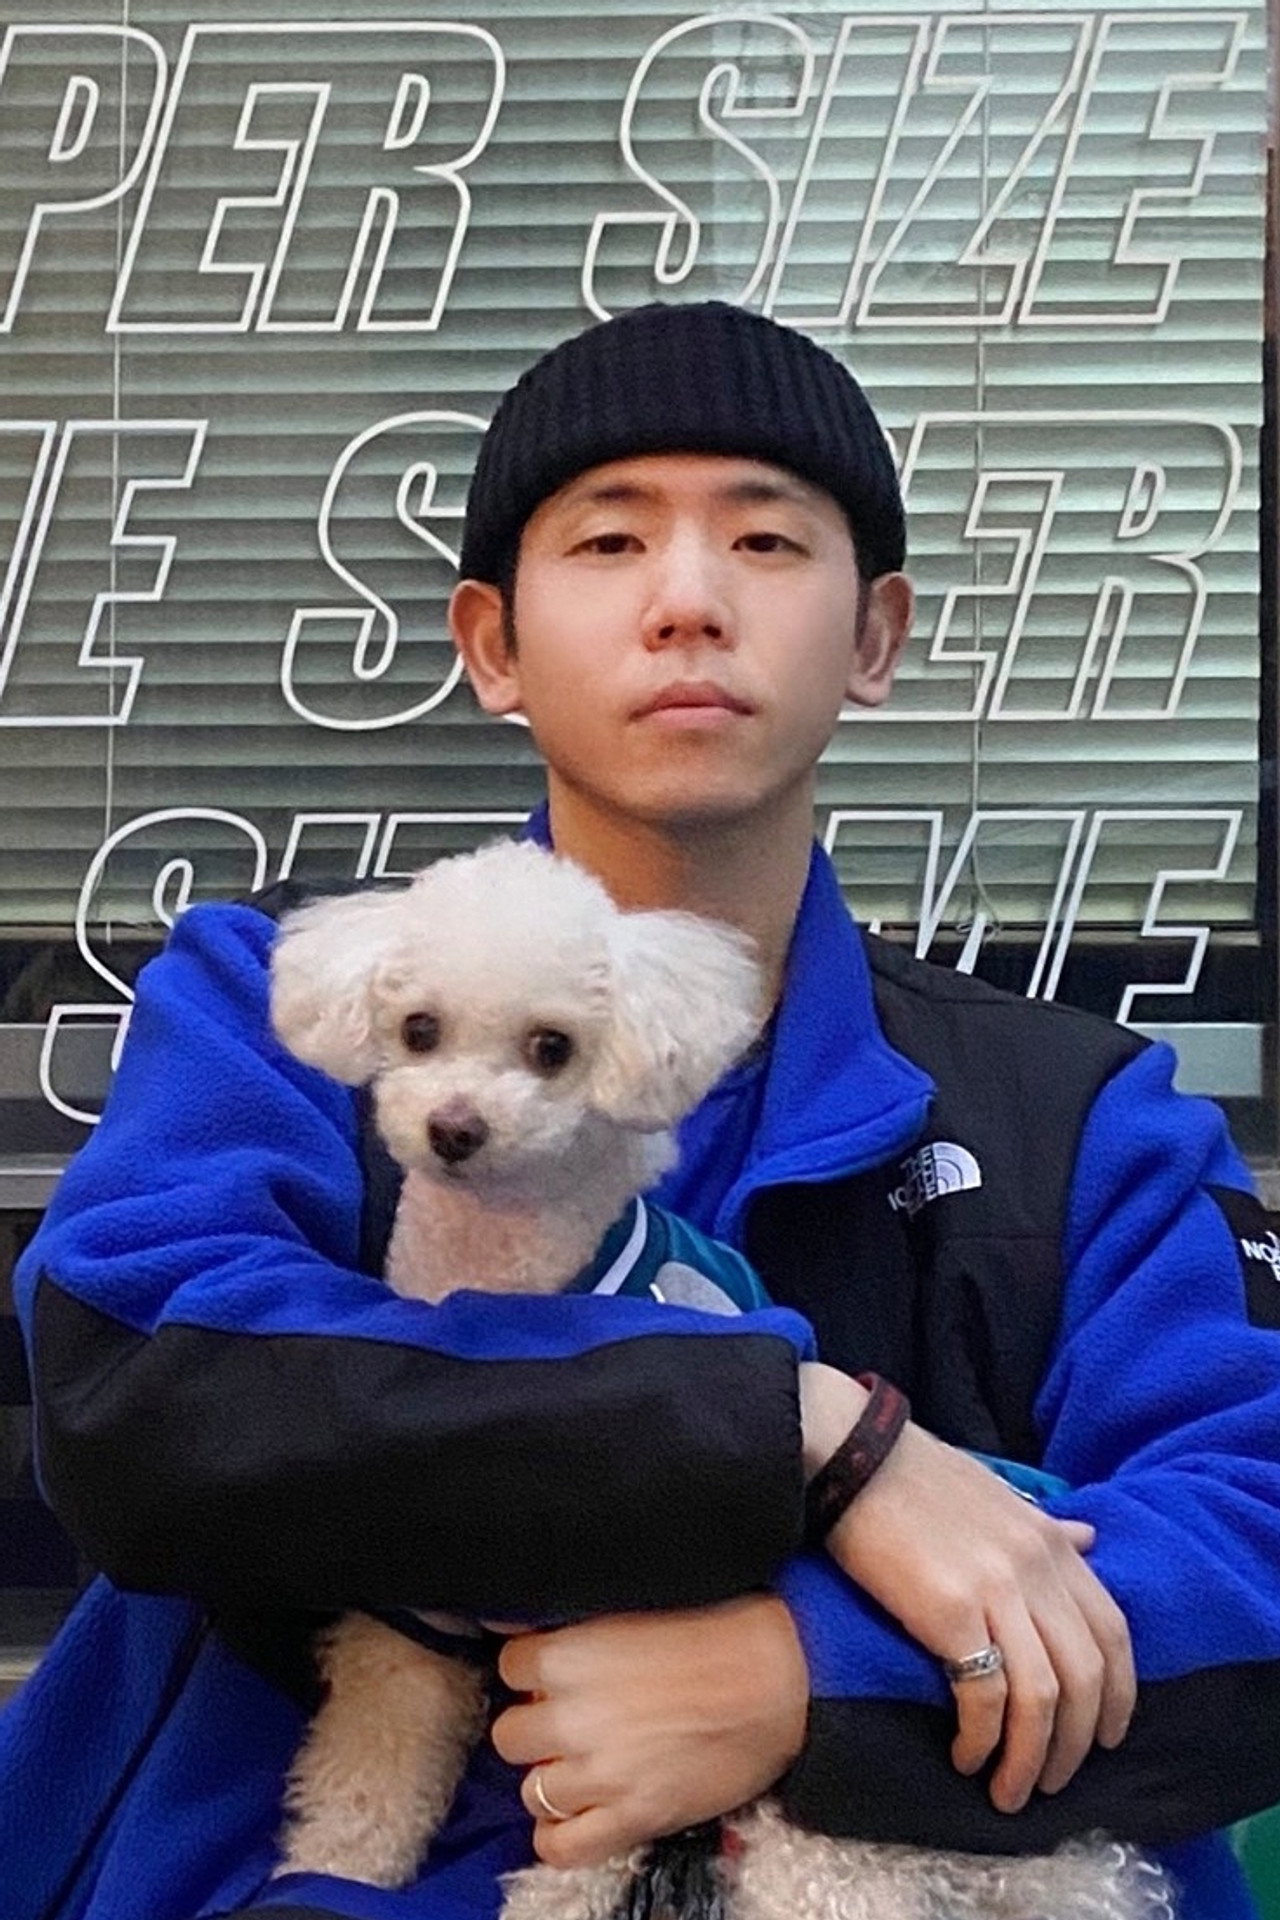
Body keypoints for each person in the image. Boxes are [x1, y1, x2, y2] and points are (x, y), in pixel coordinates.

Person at [3, 300, 1280, 1920]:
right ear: (492, 645)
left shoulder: (1081, 1119)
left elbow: (1247, 1545)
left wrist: (801, 1677)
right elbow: (138, 1395)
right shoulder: (275, 1012)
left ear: (876, 637)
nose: (688, 600)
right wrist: (806, 1439)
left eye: (765, 539)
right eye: (609, 541)